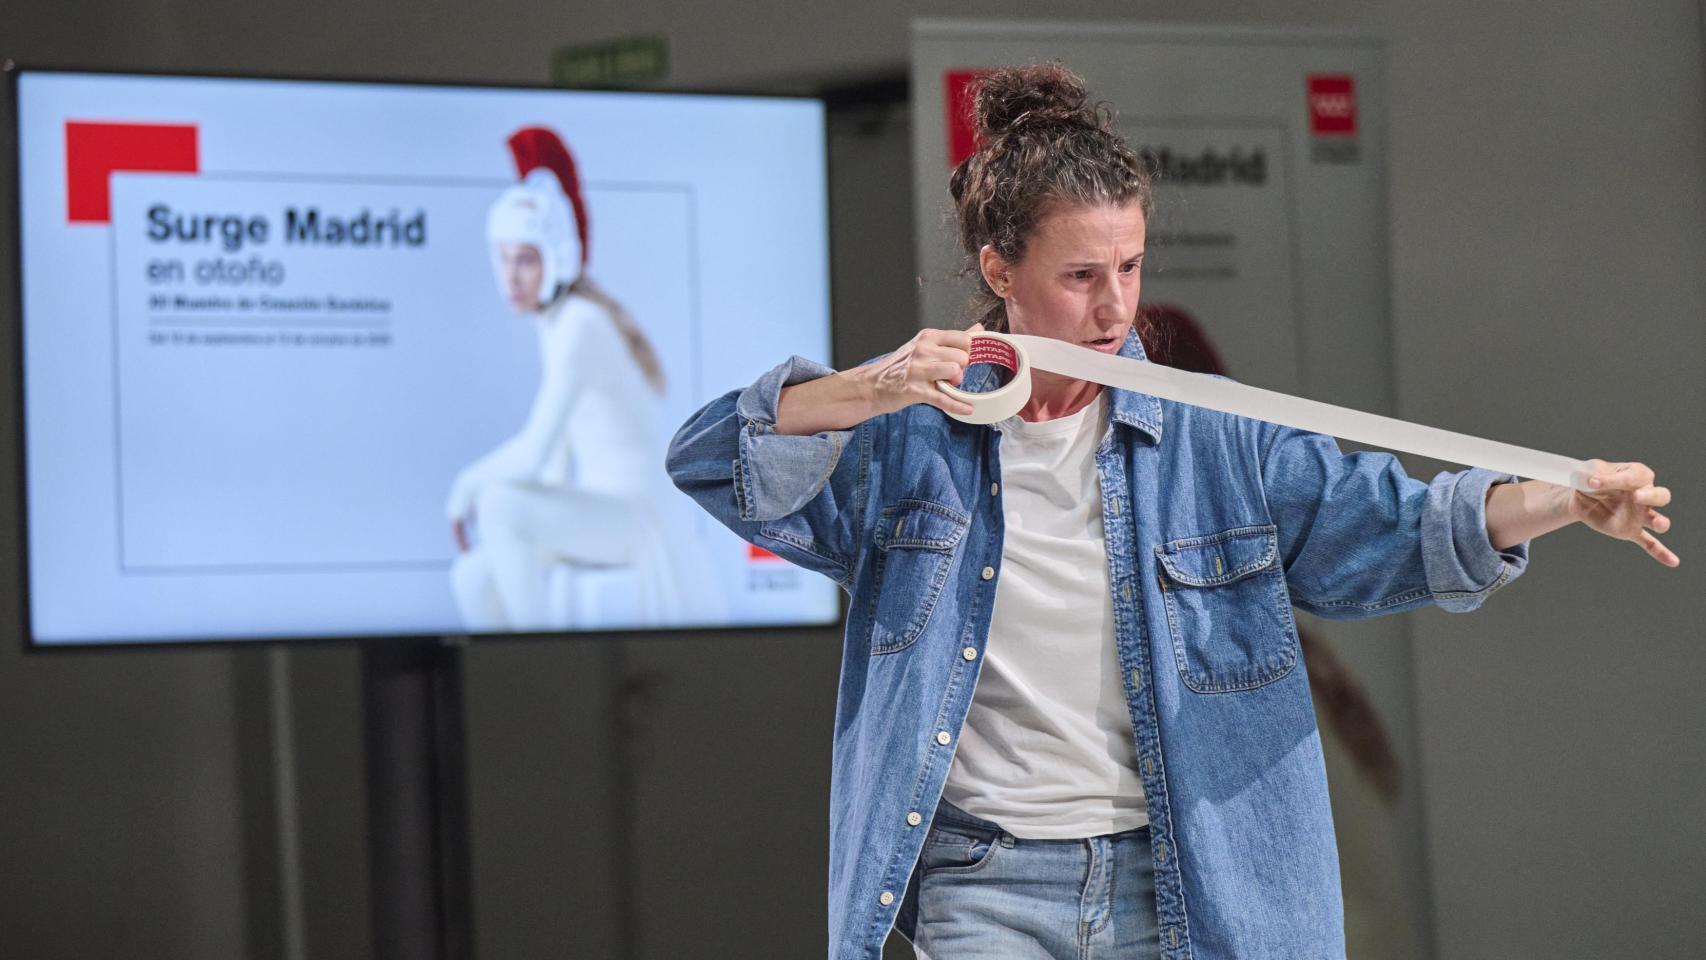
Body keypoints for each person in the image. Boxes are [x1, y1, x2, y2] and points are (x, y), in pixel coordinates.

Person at [665, 64, 1676, 960]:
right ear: (997, 271)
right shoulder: (908, 442)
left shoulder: (1213, 437)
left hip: (1186, 882)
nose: (1112, 309)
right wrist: (870, 387)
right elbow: (713, 462)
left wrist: (1562, 502)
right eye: (1078, 276)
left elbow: (1388, 525)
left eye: (1129, 268)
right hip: (983, 884)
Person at [449, 126, 718, 631]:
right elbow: (549, 464)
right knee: (471, 578)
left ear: (557, 256)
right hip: (599, 514)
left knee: (499, 504)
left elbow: (533, 450)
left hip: (633, 517)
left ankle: (538, 656)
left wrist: (467, 486)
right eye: (503, 259)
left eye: (525, 259)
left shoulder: (579, 324)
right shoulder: (556, 324)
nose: (511, 277)